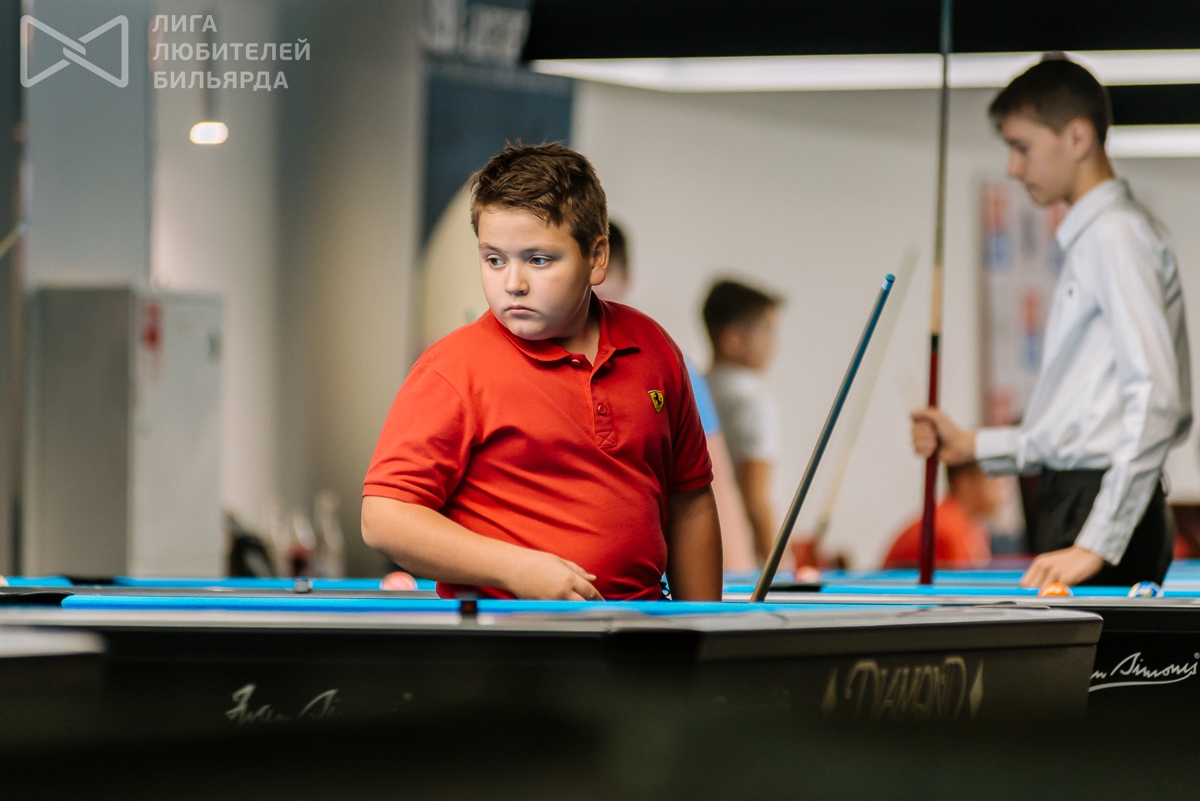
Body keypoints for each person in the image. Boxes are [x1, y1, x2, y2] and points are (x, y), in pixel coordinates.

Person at [361, 143, 723, 601]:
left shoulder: (654, 349)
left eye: (538, 260)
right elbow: (384, 517)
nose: (513, 284)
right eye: (495, 259)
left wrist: (701, 629)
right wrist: (514, 569)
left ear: (597, 257)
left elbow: (690, 502)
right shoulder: (452, 369)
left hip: (642, 630)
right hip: (506, 636)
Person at [912, 56, 1192, 588]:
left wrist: (1095, 543)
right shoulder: (1100, 237)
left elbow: (1157, 399)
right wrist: (973, 446)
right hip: (1085, 501)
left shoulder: (1115, 235)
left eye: (1022, 147)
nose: (1013, 167)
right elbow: (1076, 425)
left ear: (1078, 138)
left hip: (1099, 509)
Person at [594, 222, 758, 571]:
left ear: (625, 280)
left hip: (654, 584)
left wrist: (740, 580)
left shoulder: (670, 366)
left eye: (603, 283)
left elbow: (717, 489)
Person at [704, 280, 784, 565]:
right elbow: (756, 500)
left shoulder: (689, 390)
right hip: (739, 559)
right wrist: (780, 568)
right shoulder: (753, 402)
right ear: (733, 339)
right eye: (767, 331)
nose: (774, 347)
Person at [883, 464, 997, 569]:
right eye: (994, 477)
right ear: (966, 482)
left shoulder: (973, 527)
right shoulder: (945, 532)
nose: (1003, 488)